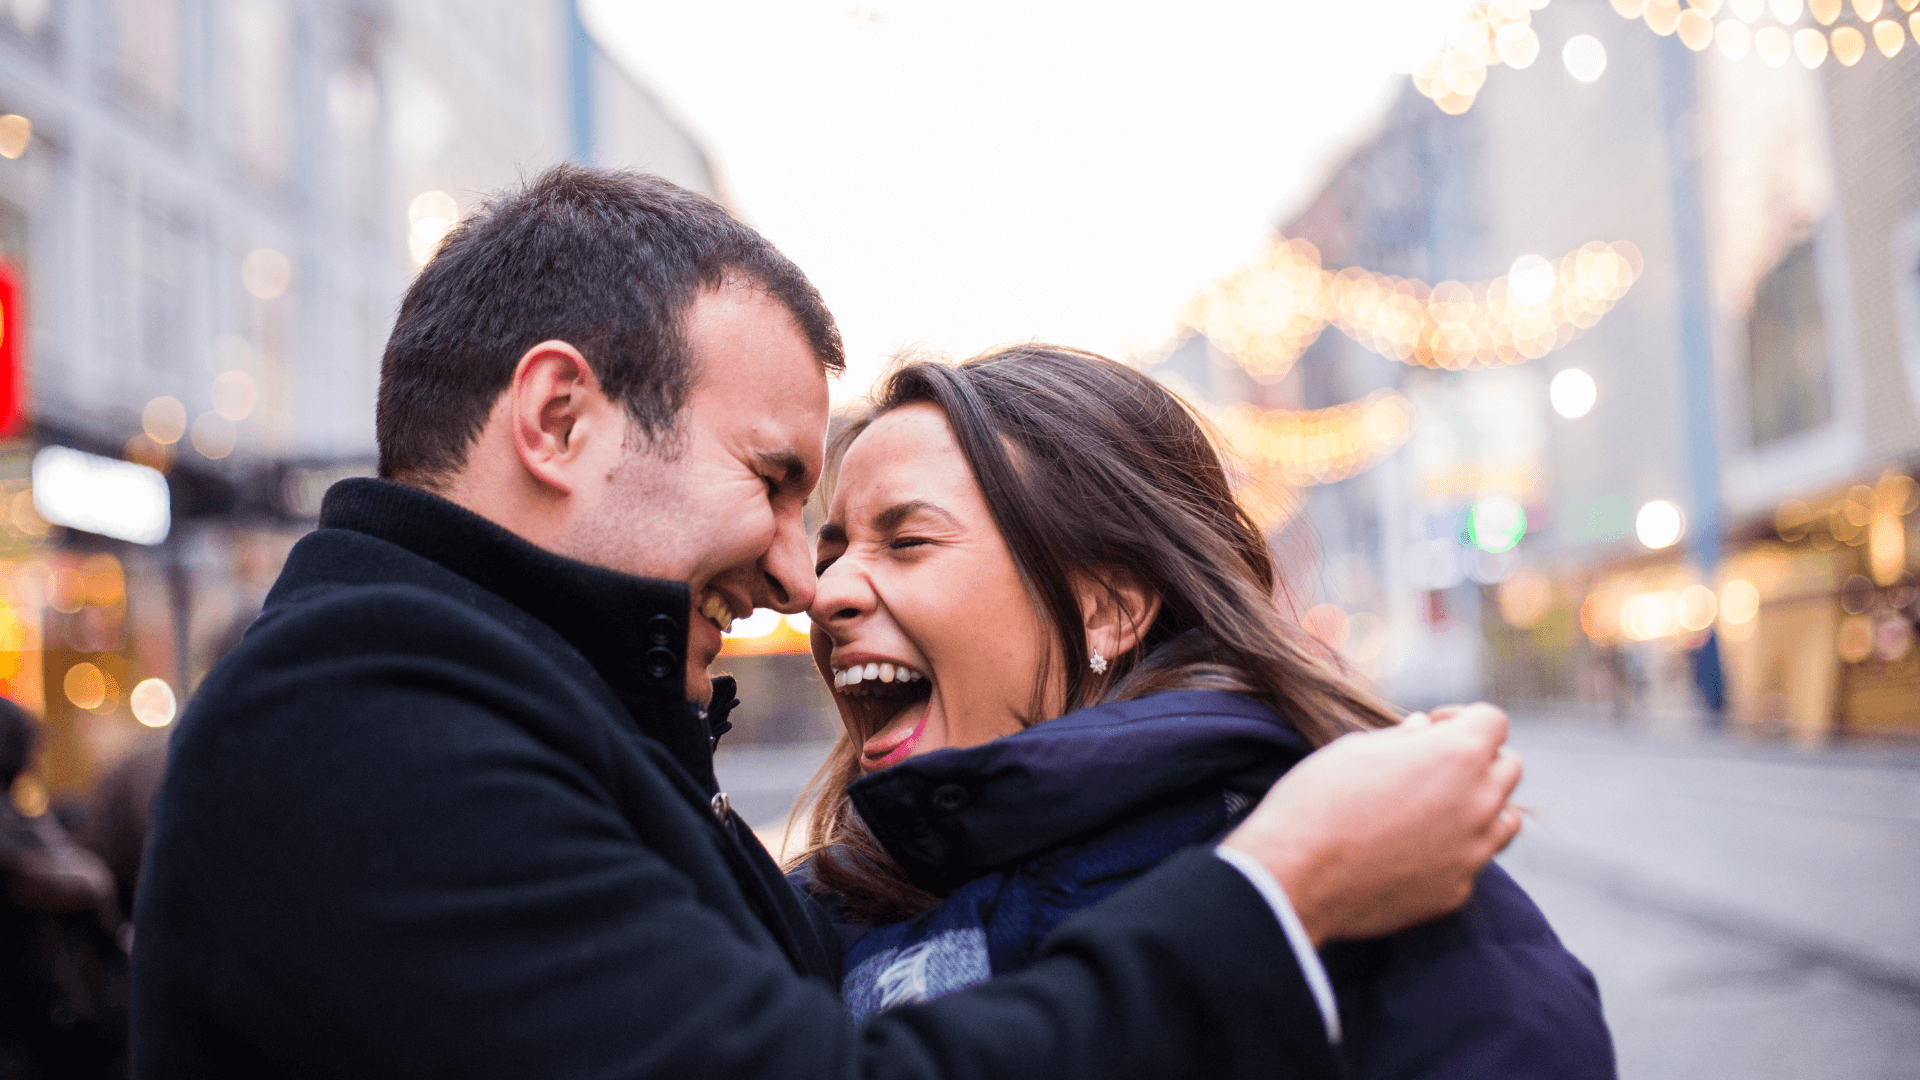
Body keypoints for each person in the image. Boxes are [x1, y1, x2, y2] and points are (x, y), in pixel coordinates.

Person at [133, 166, 1523, 1079]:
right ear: (558, 420)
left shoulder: (520, 702)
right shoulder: (364, 723)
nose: (807, 579)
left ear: (1110, 599)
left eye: (893, 535)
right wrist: (1280, 890)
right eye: (780, 486)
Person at [795, 344, 1614, 1078]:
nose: (824, 593)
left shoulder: (1385, 876)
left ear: (1108, 607)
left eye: (907, 543)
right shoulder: (808, 919)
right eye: (828, 554)